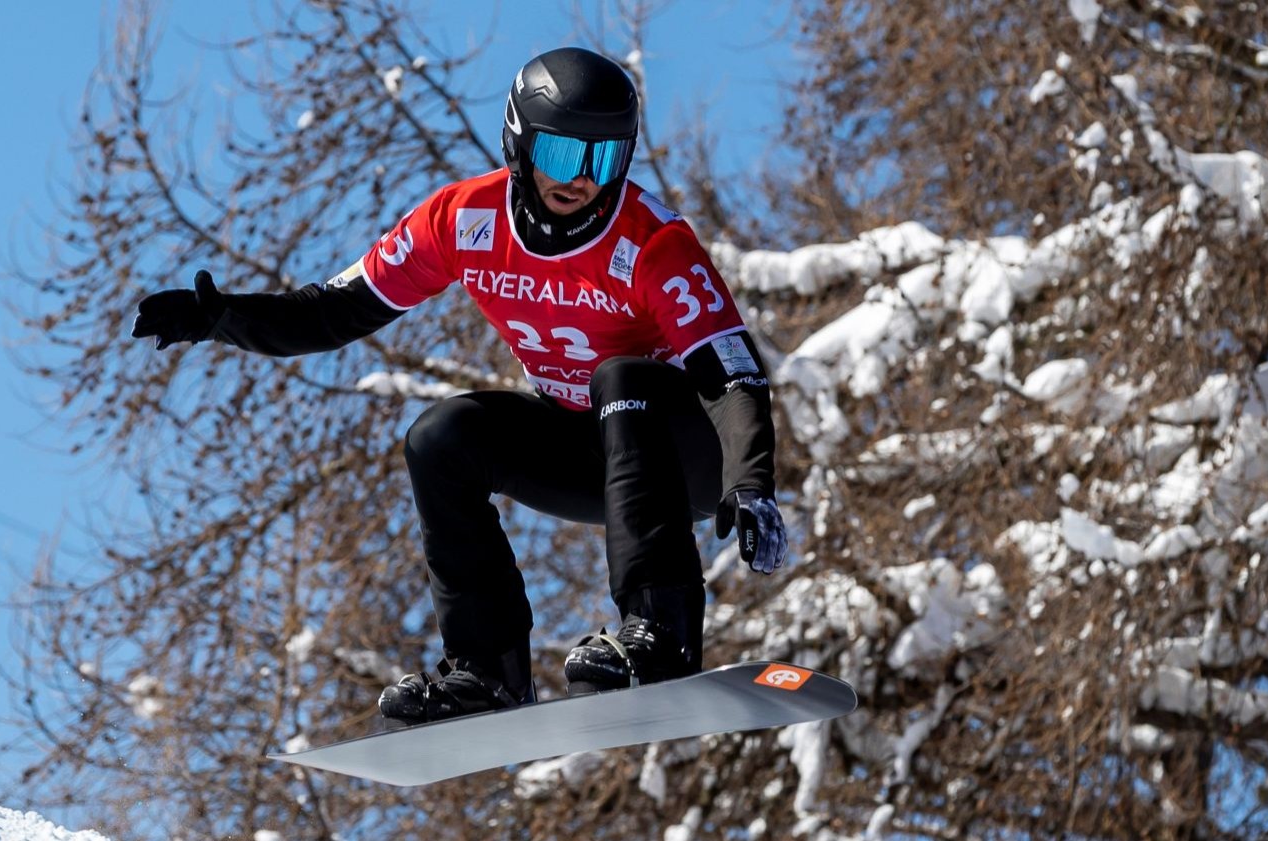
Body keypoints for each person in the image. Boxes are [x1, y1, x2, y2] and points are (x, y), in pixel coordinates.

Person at [131, 47, 789, 726]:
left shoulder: (651, 241)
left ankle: (660, 634)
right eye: (563, 156)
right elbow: (334, 308)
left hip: (685, 454)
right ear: (519, 141)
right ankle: (487, 669)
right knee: (443, 436)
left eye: (603, 160)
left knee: (621, 377)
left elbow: (730, 370)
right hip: (588, 450)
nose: (581, 181)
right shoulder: (463, 220)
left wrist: (751, 482)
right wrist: (223, 317)